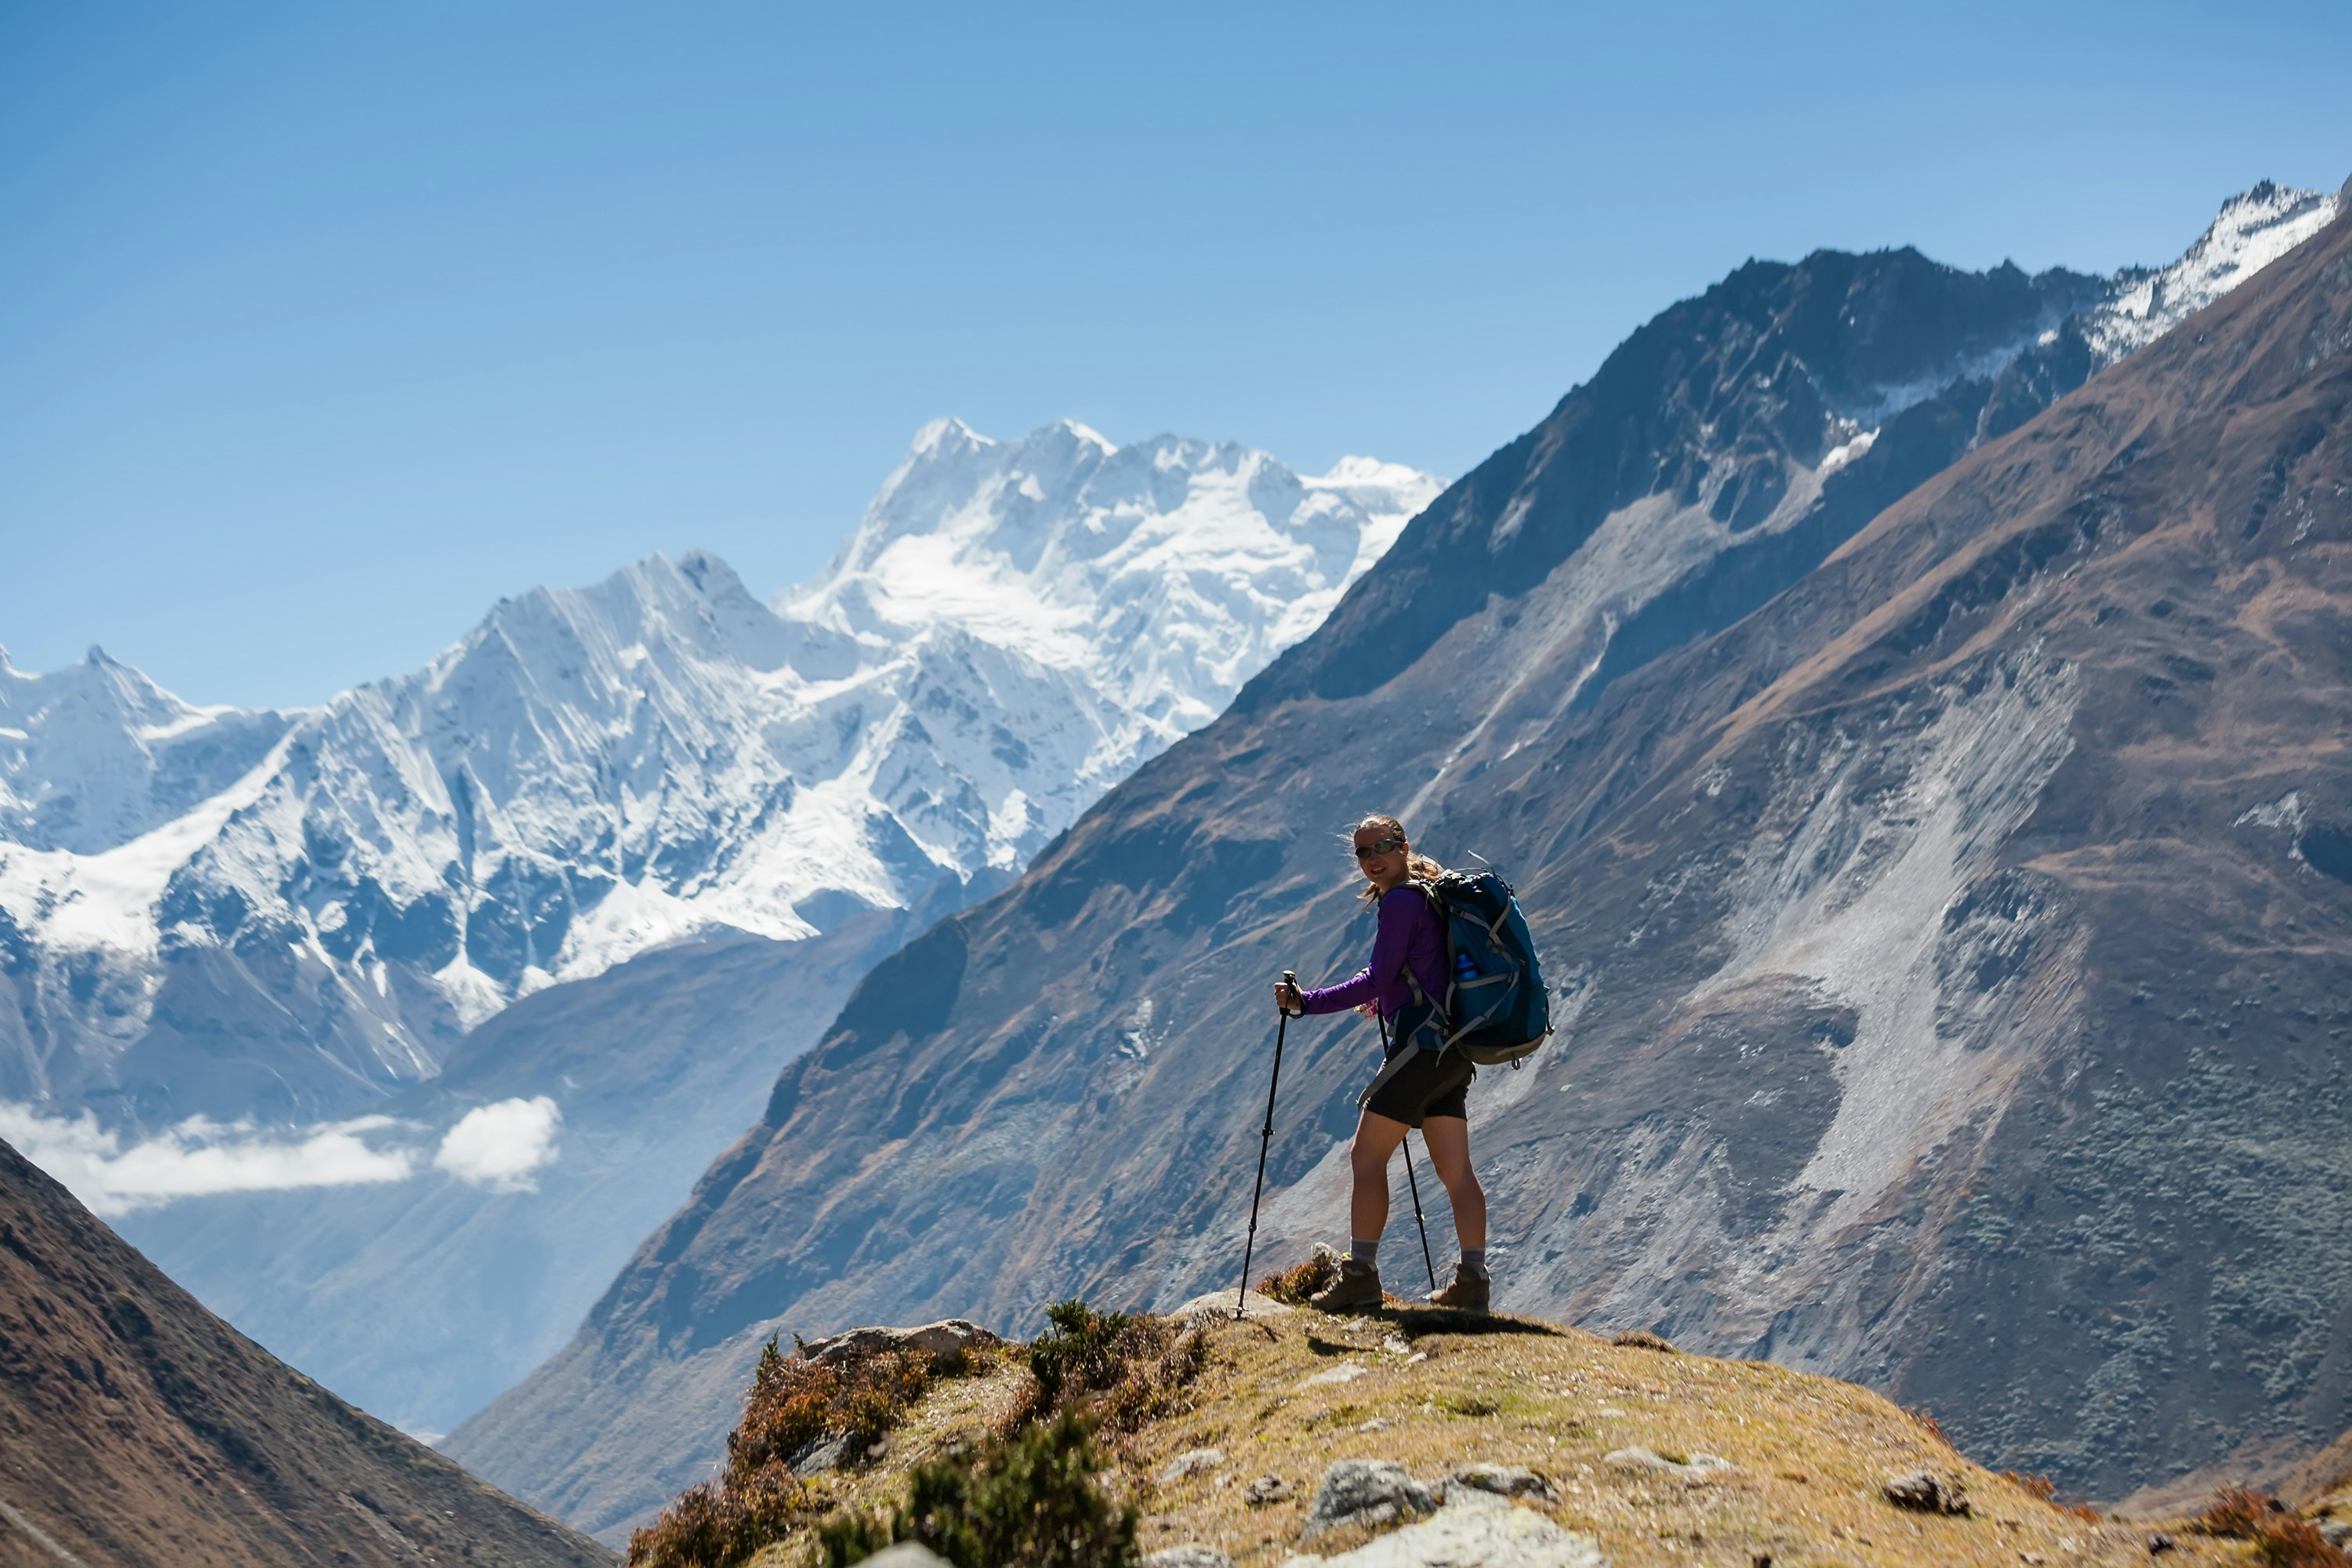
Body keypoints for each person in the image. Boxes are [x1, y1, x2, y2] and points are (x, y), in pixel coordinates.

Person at [1274, 813, 1489, 1312]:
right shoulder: (1432, 897)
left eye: (1382, 847)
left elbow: (1376, 977)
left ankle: (1360, 1277)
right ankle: (1473, 1283)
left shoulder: (1400, 903)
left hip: (1419, 1052)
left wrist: (1307, 1002)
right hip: (1453, 1052)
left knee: (1366, 1158)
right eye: (1363, 853)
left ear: (1403, 847)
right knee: (1457, 1172)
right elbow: (1418, 970)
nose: (1372, 859)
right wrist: (1390, 996)